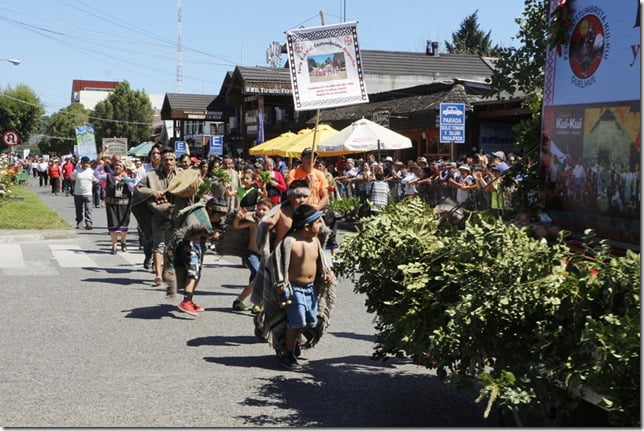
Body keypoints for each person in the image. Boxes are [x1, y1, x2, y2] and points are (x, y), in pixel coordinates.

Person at [265, 204, 336, 370]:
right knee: (297, 322)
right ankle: (286, 354)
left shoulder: (315, 242)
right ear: (306, 226)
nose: (322, 226)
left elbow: (321, 263)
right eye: (318, 222)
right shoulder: (289, 242)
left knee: (310, 321)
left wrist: (325, 274)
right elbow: (277, 263)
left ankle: (292, 342)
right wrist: (280, 284)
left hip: (310, 289)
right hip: (293, 290)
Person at [231, 198, 274, 312]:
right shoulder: (253, 222)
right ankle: (249, 302)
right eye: (259, 209)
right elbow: (236, 226)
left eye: (264, 210)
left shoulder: (272, 223)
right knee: (258, 277)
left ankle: (242, 302)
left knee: (255, 281)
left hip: (264, 257)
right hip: (252, 255)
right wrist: (238, 218)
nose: (261, 212)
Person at [96, 159, 135, 254]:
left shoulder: (128, 178)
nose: (118, 167)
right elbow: (96, 174)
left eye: (120, 166)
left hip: (124, 205)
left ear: (124, 169)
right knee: (113, 225)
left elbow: (133, 188)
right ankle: (114, 245)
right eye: (116, 165)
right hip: (112, 205)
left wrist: (126, 180)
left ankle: (123, 241)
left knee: (123, 226)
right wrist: (101, 165)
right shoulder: (109, 176)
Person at [287, 147, 329, 212]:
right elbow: (291, 192)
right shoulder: (293, 173)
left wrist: (316, 209)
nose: (311, 160)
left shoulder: (320, 174)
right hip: (298, 210)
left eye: (314, 158)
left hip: (315, 208)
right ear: (302, 158)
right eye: (308, 157)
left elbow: (325, 196)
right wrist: (305, 183)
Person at [71, 156, 98, 230]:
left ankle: (88, 223)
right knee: (78, 210)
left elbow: (95, 181)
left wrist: (90, 188)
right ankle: (79, 222)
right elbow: (72, 181)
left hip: (88, 193)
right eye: (84, 163)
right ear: (81, 163)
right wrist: (76, 188)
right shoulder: (76, 171)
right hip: (78, 193)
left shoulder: (91, 171)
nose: (85, 164)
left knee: (88, 209)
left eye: (87, 163)